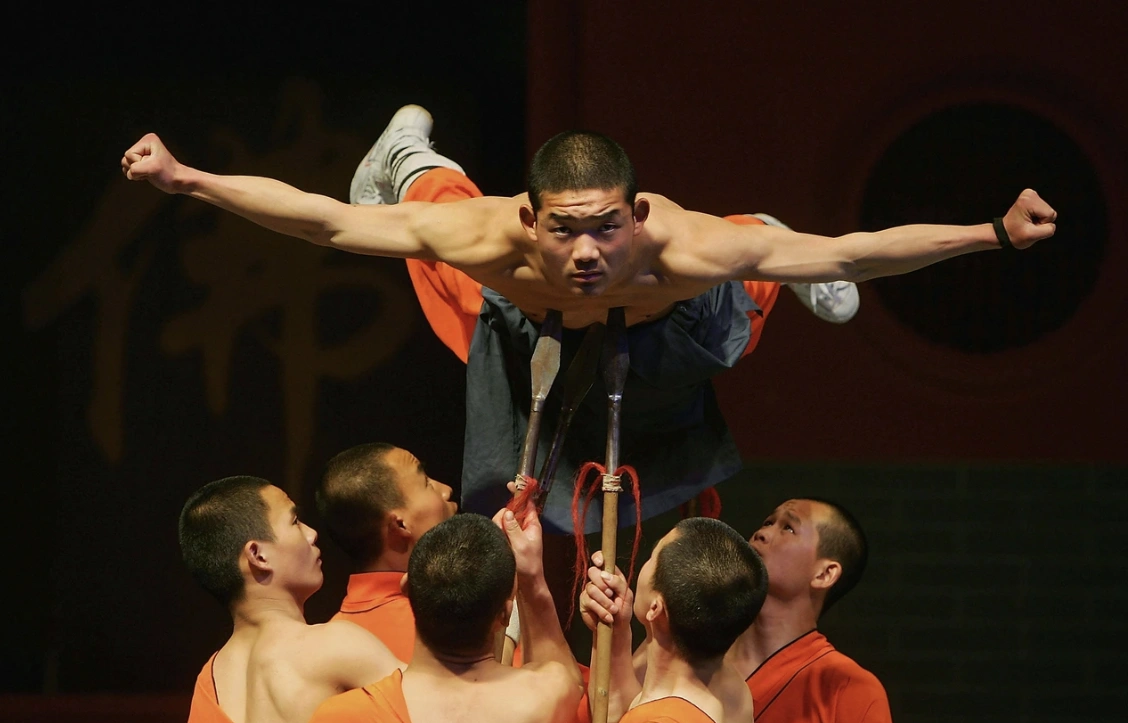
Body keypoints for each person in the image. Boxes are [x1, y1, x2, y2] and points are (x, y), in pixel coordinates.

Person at [122, 110, 1056, 536]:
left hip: (670, 321)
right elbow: (323, 218)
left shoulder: (676, 246)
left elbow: (857, 251)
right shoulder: (498, 238)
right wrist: (187, 179)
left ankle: (761, 234)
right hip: (530, 327)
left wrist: (993, 235)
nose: (585, 252)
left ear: (637, 212)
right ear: (533, 218)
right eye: (564, 229)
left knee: (760, 275)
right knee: (437, 249)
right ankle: (409, 155)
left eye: (607, 227)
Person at [306, 510, 584, 723]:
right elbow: (565, 677)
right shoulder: (540, 700)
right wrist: (531, 580)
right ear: (504, 615)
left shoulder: (341, 718)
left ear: (406, 589)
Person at [178, 476, 402, 723]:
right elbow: (440, 708)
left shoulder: (209, 680)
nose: (312, 533)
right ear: (258, 555)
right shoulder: (334, 644)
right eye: (295, 522)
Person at [579, 517, 768, 723]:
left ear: (655, 609)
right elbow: (617, 719)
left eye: (652, 557)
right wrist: (615, 632)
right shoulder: (733, 691)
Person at [727, 498, 892, 723]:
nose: (761, 533)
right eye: (767, 522)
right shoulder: (692, 656)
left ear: (824, 574)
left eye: (788, 528)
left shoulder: (847, 688)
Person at [315, 442, 458, 661]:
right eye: (427, 483)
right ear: (399, 526)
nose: (446, 490)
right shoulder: (451, 625)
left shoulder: (329, 642)